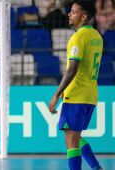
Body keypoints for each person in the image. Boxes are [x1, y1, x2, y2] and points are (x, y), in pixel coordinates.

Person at [48, 0, 103, 169]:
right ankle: (96, 167)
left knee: (71, 140)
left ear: (84, 16)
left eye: (73, 11)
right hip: (90, 95)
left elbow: (72, 69)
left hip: (77, 96)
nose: (69, 14)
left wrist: (56, 94)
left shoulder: (78, 37)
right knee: (75, 135)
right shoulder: (96, 36)